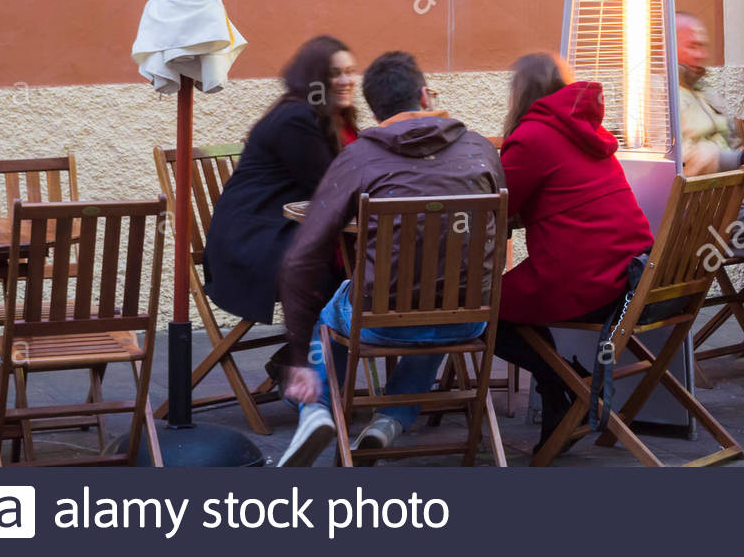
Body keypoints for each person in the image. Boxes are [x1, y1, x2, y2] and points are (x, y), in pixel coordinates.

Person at [275, 51, 503, 466]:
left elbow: (302, 255)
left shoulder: (360, 158)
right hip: (470, 316)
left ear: (375, 110)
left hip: (381, 321)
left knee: (333, 310)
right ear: (424, 95)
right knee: (443, 289)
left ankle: (315, 411)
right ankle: (391, 420)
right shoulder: (480, 149)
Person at [492, 53, 654, 454]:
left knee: (478, 308)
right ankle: (563, 393)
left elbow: (493, 205)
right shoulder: (585, 130)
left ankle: (564, 384)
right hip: (637, 276)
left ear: (521, 93)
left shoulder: (532, 137)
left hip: (587, 280)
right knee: (510, 298)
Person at [203, 35, 359, 327]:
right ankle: (310, 361)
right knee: (341, 270)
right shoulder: (296, 119)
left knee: (369, 261)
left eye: (350, 71)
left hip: (287, 230)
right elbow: (332, 187)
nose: (347, 80)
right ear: (315, 79)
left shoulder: (334, 117)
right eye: (335, 74)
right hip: (254, 242)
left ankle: (309, 358)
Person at [676, 12, 744, 175]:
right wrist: (734, 159)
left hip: (729, 186)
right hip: (697, 195)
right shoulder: (659, 95)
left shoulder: (703, 88)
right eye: (692, 46)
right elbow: (677, 158)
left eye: (702, 46)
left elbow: (733, 138)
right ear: (668, 47)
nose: (700, 55)